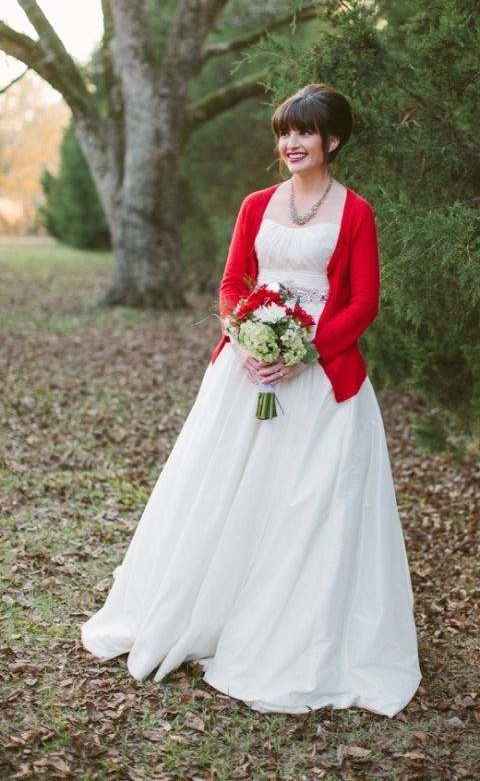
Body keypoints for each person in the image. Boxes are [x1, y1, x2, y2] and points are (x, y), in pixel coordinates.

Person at [81, 83, 422, 717]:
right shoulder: (256, 205)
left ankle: (290, 629)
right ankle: (207, 609)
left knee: (307, 501)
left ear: (333, 141)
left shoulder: (356, 213)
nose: (292, 143)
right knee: (224, 494)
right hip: (244, 371)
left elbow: (362, 303)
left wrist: (305, 351)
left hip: (322, 377)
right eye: (285, 132)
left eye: (306, 132)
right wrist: (242, 340)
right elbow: (234, 281)